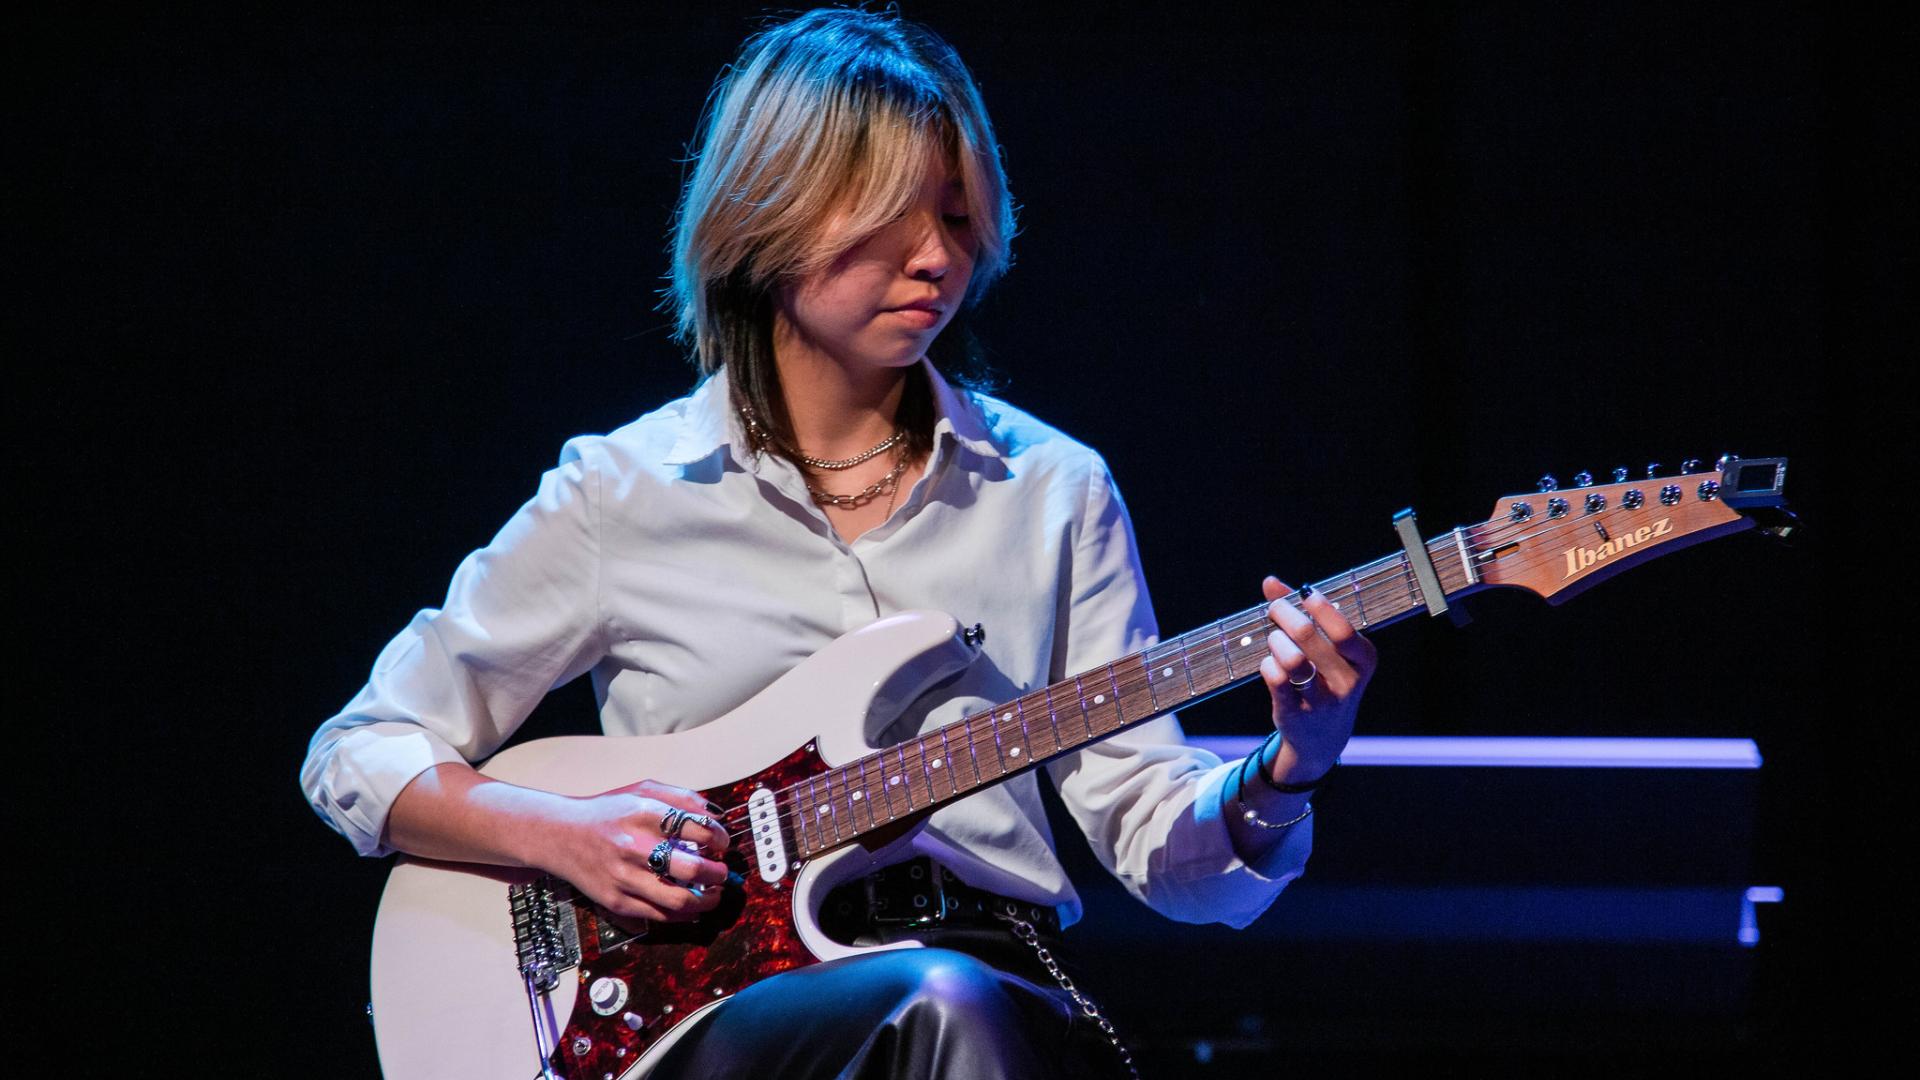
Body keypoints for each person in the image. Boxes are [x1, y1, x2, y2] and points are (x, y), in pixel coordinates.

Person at [302, 8, 1376, 1077]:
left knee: (954, 1002)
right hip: (707, 1017)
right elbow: (359, 750)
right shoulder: (622, 490)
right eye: (893, 220)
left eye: (958, 220)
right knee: (935, 1007)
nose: (936, 260)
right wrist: (561, 833)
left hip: (990, 978)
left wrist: (1287, 770)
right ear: (771, 215)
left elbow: (1158, 846)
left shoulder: (1054, 490)